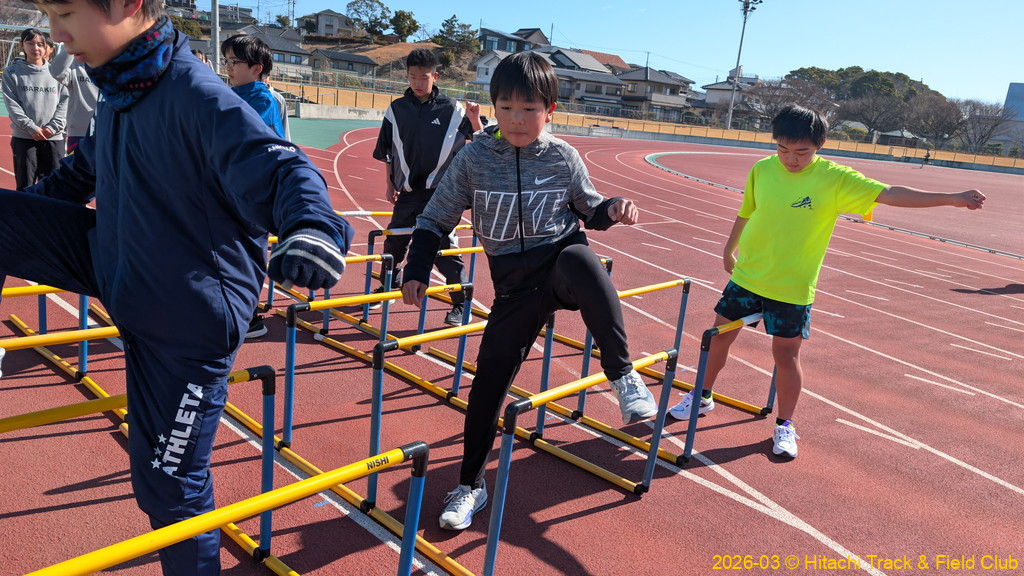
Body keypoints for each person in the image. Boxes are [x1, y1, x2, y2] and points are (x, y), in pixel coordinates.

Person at [0, 1, 353, 574]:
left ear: (129, 4)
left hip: (187, 316)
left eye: (65, 11)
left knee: (168, 490)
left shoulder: (195, 93)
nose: (57, 33)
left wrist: (313, 228)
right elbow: (72, 181)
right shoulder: (120, 90)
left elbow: (285, 169)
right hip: (120, 263)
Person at [401, 52, 658, 531]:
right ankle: (470, 485)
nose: (517, 120)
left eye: (529, 109)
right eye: (506, 108)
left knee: (583, 260)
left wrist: (615, 207)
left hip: (559, 264)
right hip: (514, 288)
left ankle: (623, 375)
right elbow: (435, 217)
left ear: (550, 110)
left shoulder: (562, 156)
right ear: (493, 108)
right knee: (487, 386)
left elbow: (590, 209)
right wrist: (416, 266)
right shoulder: (474, 158)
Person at [667, 103, 985, 459]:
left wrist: (952, 199)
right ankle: (702, 396)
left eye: (801, 152)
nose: (791, 159)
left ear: (820, 145)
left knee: (786, 355)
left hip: (792, 287)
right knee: (717, 339)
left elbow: (890, 193)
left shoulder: (835, 179)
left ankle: (784, 424)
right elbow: (747, 211)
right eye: (782, 149)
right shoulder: (762, 169)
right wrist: (729, 250)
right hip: (747, 276)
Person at [371, 48, 482, 326]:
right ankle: (388, 285)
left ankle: (461, 303)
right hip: (408, 192)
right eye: (412, 77)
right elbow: (387, 151)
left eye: (423, 77)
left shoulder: (453, 109)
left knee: (443, 248)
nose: (417, 83)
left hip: (441, 195)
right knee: (394, 241)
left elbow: (482, 141)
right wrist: (389, 184)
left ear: (435, 76)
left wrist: (475, 119)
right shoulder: (396, 109)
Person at [220, 34, 286, 339]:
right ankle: (234, 311)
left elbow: (237, 140)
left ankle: (247, 317)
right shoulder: (233, 94)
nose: (228, 67)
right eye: (226, 61)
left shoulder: (262, 100)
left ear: (257, 68)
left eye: (234, 62)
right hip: (232, 190)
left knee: (243, 255)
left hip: (253, 193)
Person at [2, 28, 68, 190]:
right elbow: (13, 105)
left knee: (55, 187)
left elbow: (65, 101)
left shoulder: (57, 73)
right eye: (30, 43)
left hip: (53, 137)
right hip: (24, 137)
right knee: (25, 186)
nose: (35, 48)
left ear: (47, 47)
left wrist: (53, 127)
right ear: (21, 45)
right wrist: (31, 128)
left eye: (40, 44)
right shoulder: (12, 73)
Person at [49, 43, 99, 154]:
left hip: (108, 131)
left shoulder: (112, 63)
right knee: (77, 165)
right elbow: (56, 72)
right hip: (79, 132)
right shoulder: (75, 63)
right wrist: (73, 43)